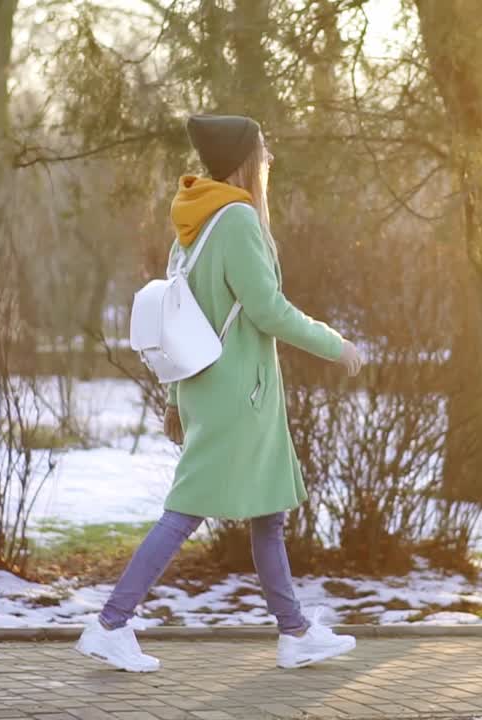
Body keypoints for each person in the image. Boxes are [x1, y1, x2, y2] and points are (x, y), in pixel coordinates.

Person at [76, 114, 365, 672]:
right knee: (186, 511)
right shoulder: (235, 218)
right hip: (240, 395)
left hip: (212, 388)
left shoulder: (194, 222)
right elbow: (266, 309)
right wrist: (337, 346)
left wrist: (176, 399)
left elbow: (183, 318)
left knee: (268, 513)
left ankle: (296, 631)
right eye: (265, 147)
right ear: (245, 158)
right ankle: (110, 623)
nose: (271, 157)